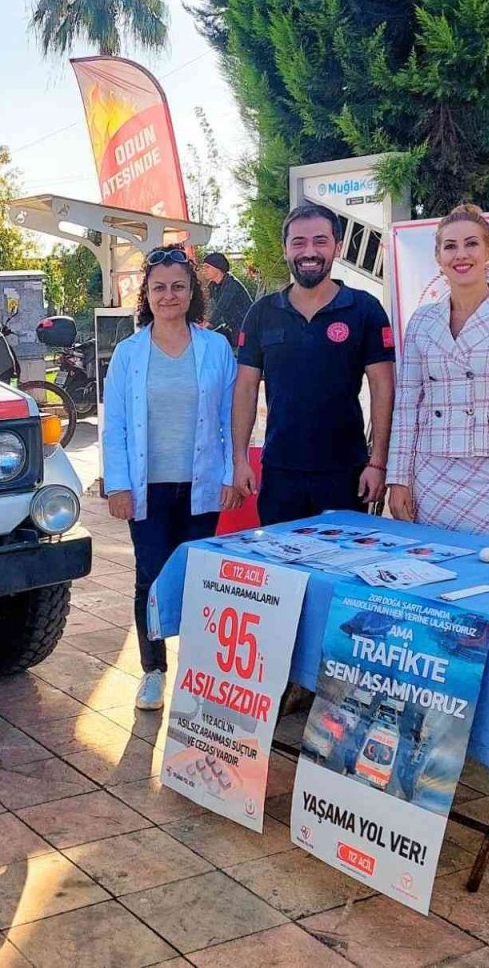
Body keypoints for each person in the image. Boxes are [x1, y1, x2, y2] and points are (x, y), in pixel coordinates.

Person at [387, 203, 489, 775]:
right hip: (433, 476)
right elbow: (406, 404)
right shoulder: (423, 322)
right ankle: (448, 718)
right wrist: (398, 476)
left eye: (470, 245)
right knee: (438, 591)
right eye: (449, 246)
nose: (460, 255)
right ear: (437, 257)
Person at [102, 249, 239, 711]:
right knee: (152, 577)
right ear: (146, 294)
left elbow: (230, 417)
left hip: (201, 485)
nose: (168, 295)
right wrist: (118, 484)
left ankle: (199, 672)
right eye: (158, 287)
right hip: (148, 487)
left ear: (192, 292)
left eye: (178, 286)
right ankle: (154, 670)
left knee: (202, 579)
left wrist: (230, 474)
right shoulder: (129, 353)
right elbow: (115, 423)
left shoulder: (216, 349)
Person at [232, 204, 395, 523]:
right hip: (281, 470)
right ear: (285, 249)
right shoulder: (262, 313)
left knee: (341, 566)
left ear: (336, 246)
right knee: (281, 570)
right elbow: (246, 389)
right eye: (299, 242)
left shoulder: (365, 310)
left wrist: (378, 463)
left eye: (320, 241)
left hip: (346, 472)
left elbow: (383, 387)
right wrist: (239, 458)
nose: (309, 251)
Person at [200, 252, 253, 347]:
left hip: (246, 330)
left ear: (218, 268)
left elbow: (221, 306)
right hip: (231, 328)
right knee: (209, 341)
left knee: (242, 351)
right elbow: (206, 303)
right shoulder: (213, 285)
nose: (204, 271)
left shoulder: (231, 285)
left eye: (207, 267)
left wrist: (207, 323)